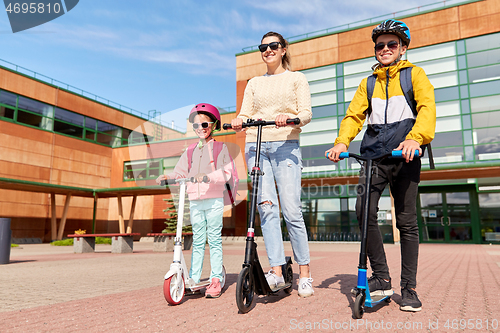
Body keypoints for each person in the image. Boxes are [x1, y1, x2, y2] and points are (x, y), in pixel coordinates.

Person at [325, 20, 436, 312]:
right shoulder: (369, 83)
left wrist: (415, 138)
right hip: (374, 156)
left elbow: (427, 108)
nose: (385, 49)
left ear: (402, 48)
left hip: (405, 155)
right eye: (380, 45)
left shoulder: (415, 75)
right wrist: (341, 142)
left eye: (392, 44)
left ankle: (409, 288)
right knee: (363, 212)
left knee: (406, 222)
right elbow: (353, 117)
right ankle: (382, 277)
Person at [230, 31, 314, 297]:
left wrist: (289, 118)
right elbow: (246, 113)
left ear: (283, 49)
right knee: (266, 209)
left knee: (291, 211)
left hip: (285, 145)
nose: (268, 50)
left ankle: (305, 273)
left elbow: (306, 114)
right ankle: (276, 271)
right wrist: (238, 120)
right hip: (256, 146)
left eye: (273, 46)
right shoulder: (254, 82)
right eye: (263, 47)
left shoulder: (296, 78)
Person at [156, 103, 234, 298]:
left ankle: (216, 278)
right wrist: (169, 176)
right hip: (195, 199)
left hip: (213, 199)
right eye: (196, 126)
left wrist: (208, 177)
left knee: (214, 239)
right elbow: (181, 170)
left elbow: (226, 172)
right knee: (198, 240)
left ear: (214, 125)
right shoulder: (190, 150)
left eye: (204, 125)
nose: (200, 129)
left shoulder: (220, 148)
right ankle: (194, 277)